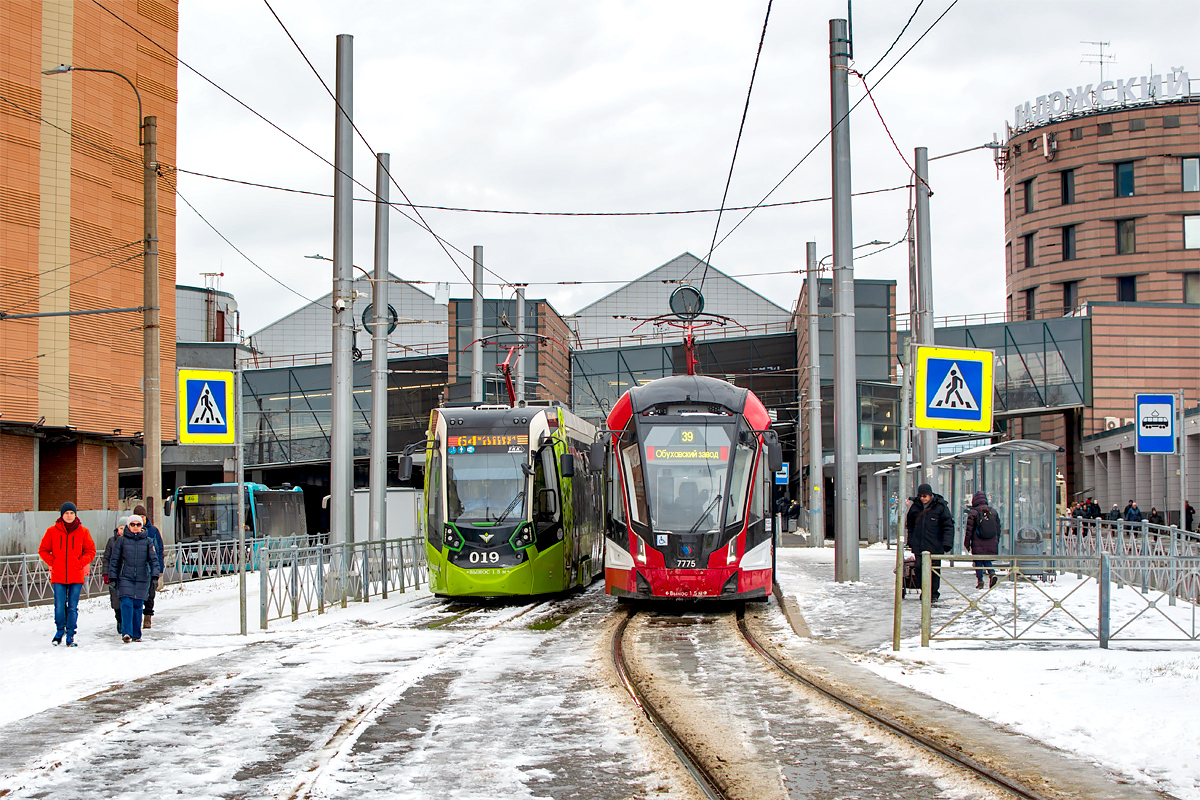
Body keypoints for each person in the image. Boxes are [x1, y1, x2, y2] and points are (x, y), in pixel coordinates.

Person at [39, 502, 96, 647]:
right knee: (59, 606)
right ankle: (59, 631)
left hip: (75, 576)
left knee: (72, 607)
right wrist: (53, 561)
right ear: (61, 515)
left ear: (75, 514)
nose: (69, 516)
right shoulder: (52, 531)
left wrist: (80, 562)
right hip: (58, 576)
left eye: (72, 513)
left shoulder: (83, 532)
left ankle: (70, 635)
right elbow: (43, 550)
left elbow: (90, 551)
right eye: (66, 513)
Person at [108, 514, 161, 643]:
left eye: (138, 524)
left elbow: (154, 560)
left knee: (137, 606)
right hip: (126, 577)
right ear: (128, 526)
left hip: (142, 579)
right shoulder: (122, 541)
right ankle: (127, 633)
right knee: (126, 604)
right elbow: (114, 560)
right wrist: (113, 578)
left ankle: (136, 634)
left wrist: (155, 576)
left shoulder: (148, 541)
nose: (136, 527)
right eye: (133, 524)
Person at [905, 483, 955, 602]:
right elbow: (910, 525)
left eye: (925, 496)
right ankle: (924, 590)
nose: (923, 498)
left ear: (931, 495)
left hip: (935, 545)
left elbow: (948, 526)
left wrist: (947, 543)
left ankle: (933, 593)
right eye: (921, 496)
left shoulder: (940, 507)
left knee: (934, 570)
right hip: (919, 545)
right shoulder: (915, 507)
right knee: (919, 568)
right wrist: (910, 541)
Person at [134, 504, 165, 630]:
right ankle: (137, 618)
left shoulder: (153, 531)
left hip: (151, 569)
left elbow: (159, 550)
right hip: (137, 569)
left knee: (150, 594)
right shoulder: (132, 530)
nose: (141, 519)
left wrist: (159, 569)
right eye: (138, 517)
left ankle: (147, 616)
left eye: (143, 516)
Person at [963, 491, 1000, 590]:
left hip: (977, 541)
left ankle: (980, 581)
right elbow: (998, 528)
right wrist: (997, 541)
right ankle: (992, 573)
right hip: (991, 540)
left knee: (978, 561)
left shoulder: (974, 512)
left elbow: (969, 529)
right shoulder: (993, 511)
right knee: (987, 559)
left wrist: (967, 543)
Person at [101, 515, 128, 634]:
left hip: (127, 575)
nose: (122, 531)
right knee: (116, 601)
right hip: (114, 575)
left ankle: (127, 622)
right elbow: (106, 558)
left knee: (127, 600)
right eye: (120, 528)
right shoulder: (112, 541)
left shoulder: (131, 541)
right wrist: (106, 574)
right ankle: (119, 619)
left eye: (124, 528)